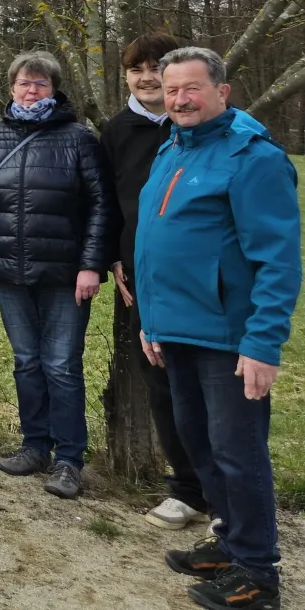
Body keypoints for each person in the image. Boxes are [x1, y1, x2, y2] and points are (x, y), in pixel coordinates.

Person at [139, 47, 300, 610]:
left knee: (238, 453)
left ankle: (258, 574)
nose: (181, 99)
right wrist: (151, 323)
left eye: (193, 88)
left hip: (228, 339)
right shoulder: (173, 149)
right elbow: (156, 245)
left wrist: (262, 343)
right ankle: (229, 545)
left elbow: (278, 261)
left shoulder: (253, 158)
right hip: (176, 331)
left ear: (222, 92)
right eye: (172, 89)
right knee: (200, 447)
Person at [0, 51, 113, 500]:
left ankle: (69, 458)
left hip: (64, 273)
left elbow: (101, 205)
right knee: (26, 361)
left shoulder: (78, 139)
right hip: (7, 269)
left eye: (41, 84)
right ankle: (34, 445)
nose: (31, 91)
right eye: (24, 83)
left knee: (61, 365)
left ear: (54, 89)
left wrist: (90, 264)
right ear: (11, 88)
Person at [99, 33, 209, 530]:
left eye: (155, 68)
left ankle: (226, 493)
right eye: (136, 68)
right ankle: (186, 489)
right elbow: (109, 203)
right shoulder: (117, 130)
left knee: (212, 386)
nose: (146, 77)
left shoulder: (200, 128)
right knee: (161, 381)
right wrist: (114, 260)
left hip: (203, 276)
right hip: (139, 275)